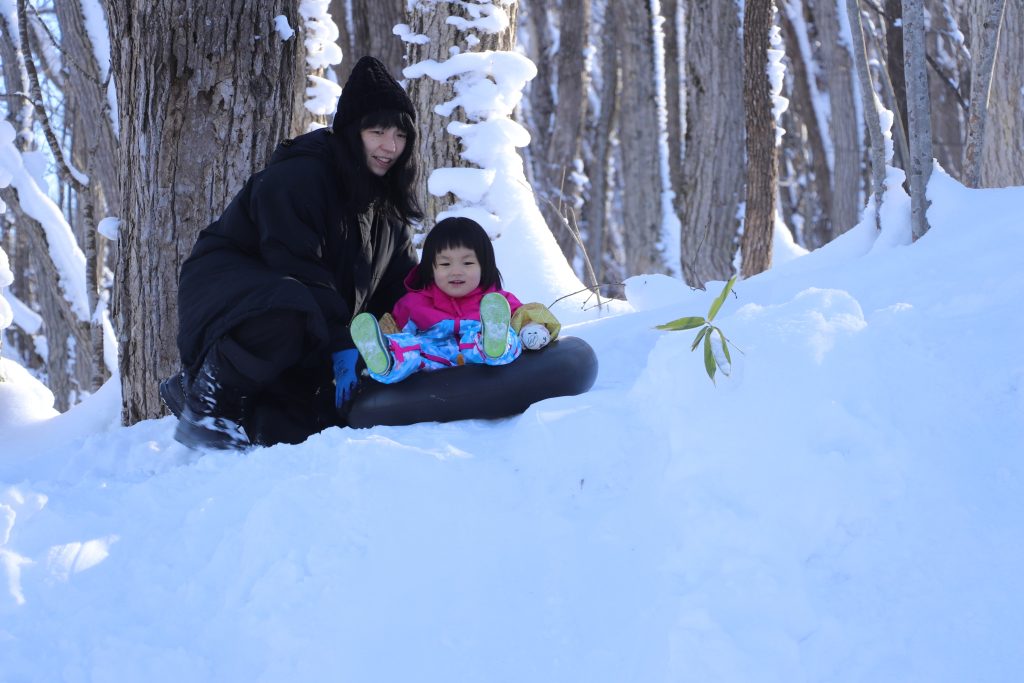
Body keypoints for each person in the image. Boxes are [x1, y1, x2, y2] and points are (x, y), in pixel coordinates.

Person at [161, 56, 422, 449]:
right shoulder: (300, 177)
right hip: (230, 301)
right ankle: (209, 402)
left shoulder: (388, 214)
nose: (390, 146)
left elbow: (403, 291)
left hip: (304, 326)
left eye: (400, 135)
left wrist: (449, 317)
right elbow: (298, 267)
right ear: (351, 132)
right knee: (292, 306)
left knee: (296, 433)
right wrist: (343, 343)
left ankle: (221, 399)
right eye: (377, 131)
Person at [348, 216, 561, 385]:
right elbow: (394, 328)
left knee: (503, 337)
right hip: (432, 360)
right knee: (410, 347)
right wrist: (388, 341)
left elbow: (525, 316)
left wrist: (532, 329)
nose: (456, 272)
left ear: (484, 266)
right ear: (430, 269)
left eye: (467, 263)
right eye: (445, 264)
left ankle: (494, 342)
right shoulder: (413, 303)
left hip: (481, 353)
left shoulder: (496, 302)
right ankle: (386, 359)